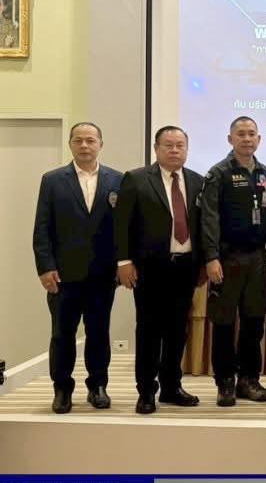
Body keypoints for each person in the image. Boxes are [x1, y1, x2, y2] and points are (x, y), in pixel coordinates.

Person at [32, 122, 122, 414]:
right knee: (62, 335)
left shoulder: (118, 180)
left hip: (102, 275)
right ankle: (62, 389)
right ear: (70, 144)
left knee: (99, 334)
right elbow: (42, 228)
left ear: (100, 144)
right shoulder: (52, 180)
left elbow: (124, 229)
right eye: (78, 140)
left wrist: (122, 264)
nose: (85, 145)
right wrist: (45, 267)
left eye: (90, 140)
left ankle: (98, 386)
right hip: (63, 275)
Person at [115, 126, 205, 414]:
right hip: (150, 268)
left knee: (177, 331)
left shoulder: (197, 181)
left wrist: (203, 262)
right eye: (168, 145)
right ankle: (146, 391)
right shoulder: (136, 179)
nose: (174, 150)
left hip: (185, 267)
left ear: (187, 149)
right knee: (149, 331)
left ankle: (171, 386)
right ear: (156, 148)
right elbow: (121, 224)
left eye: (180, 145)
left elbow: (202, 226)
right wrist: (123, 261)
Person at [201, 116, 266, 406]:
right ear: (230, 139)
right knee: (223, 323)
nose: (247, 139)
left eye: (251, 134)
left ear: (259, 139)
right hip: (226, 258)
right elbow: (209, 218)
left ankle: (249, 380)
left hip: (257, 258)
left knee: (254, 322)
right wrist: (211, 257)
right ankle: (225, 382)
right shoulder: (218, 173)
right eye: (241, 134)